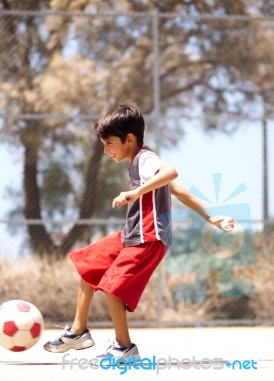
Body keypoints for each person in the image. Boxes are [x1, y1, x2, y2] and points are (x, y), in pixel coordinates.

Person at [44, 103, 234, 360]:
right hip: (132, 235)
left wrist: (136, 192)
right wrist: (210, 217)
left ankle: (124, 347)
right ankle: (79, 331)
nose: (106, 150)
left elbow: (171, 172)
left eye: (109, 143)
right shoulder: (137, 163)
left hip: (148, 237)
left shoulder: (145, 159)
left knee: (112, 287)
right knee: (89, 264)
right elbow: (177, 189)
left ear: (129, 139)